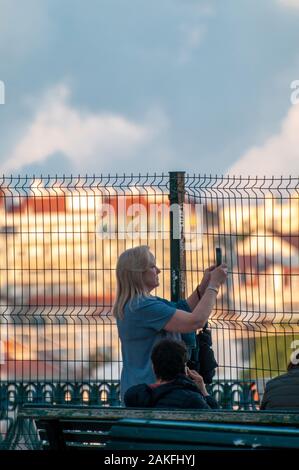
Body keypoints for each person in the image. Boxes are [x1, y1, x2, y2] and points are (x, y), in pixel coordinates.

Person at [112, 245, 227, 401]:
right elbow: (196, 321)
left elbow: (184, 309)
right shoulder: (142, 307)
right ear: (138, 273)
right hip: (152, 396)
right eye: (152, 266)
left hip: (140, 391)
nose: (158, 270)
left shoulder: (137, 304)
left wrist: (204, 285)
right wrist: (214, 286)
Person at [124, 338, 219, 409]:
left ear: (153, 367)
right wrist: (204, 392)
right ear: (185, 369)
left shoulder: (134, 398)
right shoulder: (192, 401)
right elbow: (217, 424)